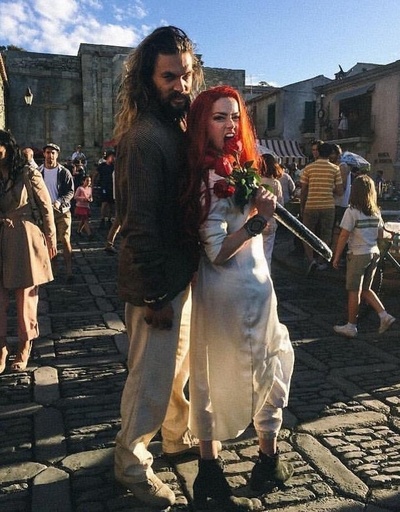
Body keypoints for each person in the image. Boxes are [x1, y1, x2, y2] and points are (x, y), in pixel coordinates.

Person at [185, 85, 295, 510]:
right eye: (219, 117)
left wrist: (255, 212)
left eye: (235, 117)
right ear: (203, 123)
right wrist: (258, 221)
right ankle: (263, 460)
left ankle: (214, 470)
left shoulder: (229, 169)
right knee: (265, 364)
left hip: (241, 288)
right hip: (235, 291)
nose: (230, 125)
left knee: (213, 372)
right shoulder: (210, 178)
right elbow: (216, 249)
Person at [112, 26, 204, 509]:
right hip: (156, 286)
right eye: (169, 77)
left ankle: (175, 435)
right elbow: (139, 226)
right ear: (148, 80)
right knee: (148, 381)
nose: (180, 86)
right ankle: (131, 465)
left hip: (177, 278)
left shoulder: (174, 130)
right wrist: (153, 298)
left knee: (174, 372)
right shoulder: (145, 138)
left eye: (185, 75)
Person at [0, 130, 57, 374]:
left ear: (6, 147)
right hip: (1, 235)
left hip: (24, 238)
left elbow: (45, 206)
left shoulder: (26, 171)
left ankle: (25, 344)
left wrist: (51, 237)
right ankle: (1, 347)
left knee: (25, 297)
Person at [332, 174, 396, 338]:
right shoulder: (376, 213)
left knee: (354, 290)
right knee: (366, 289)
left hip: (357, 254)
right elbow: (381, 235)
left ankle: (351, 325)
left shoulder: (352, 212)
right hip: (373, 253)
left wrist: (336, 256)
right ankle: (384, 315)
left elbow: (344, 235)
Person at [300, 141, 343, 275]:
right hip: (328, 206)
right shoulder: (335, 169)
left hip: (311, 205)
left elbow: (303, 190)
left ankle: (310, 260)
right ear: (330, 154)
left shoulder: (308, 168)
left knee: (307, 233)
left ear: (318, 152)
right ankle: (320, 260)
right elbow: (340, 191)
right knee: (326, 234)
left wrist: (302, 206)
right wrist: (329, 187)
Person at [39, 143, 75, 283]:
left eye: (53, 153)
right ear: (44, 154)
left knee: (65, 239)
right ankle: (53, 271)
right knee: (50, 242)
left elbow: (70, 191)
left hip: (62, 211)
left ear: (57, 155)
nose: (50, 155)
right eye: (48, 152)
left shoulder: (64, 172)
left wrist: (60, 201)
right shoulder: (38, 172)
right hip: (45, 213)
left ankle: (69, 270)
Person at [260, 153, 284, 270]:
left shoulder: (256, 181)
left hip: (255, 220)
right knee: (267, 254)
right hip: (270, 222)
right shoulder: (276, 183)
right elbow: (280, 204)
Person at [330, 144, 351, 254]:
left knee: (336, 231)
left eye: (332, 153)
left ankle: (335, 254)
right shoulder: (334, 166)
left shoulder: (342, 166)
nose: (330, 156)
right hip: (334, 203)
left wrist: (327, 188)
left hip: (340, 204)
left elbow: (342, 187)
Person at [94, 149, 115, 229]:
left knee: (111, 204)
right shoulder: (102, 166)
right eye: (111, 156)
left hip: (112, 187)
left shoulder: (114, 166)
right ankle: (102, 219)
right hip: (104, 187)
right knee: (104, 203)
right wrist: (93, 184)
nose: (113, 158)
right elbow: (95, 174)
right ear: (108, 157)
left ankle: (109, 219)